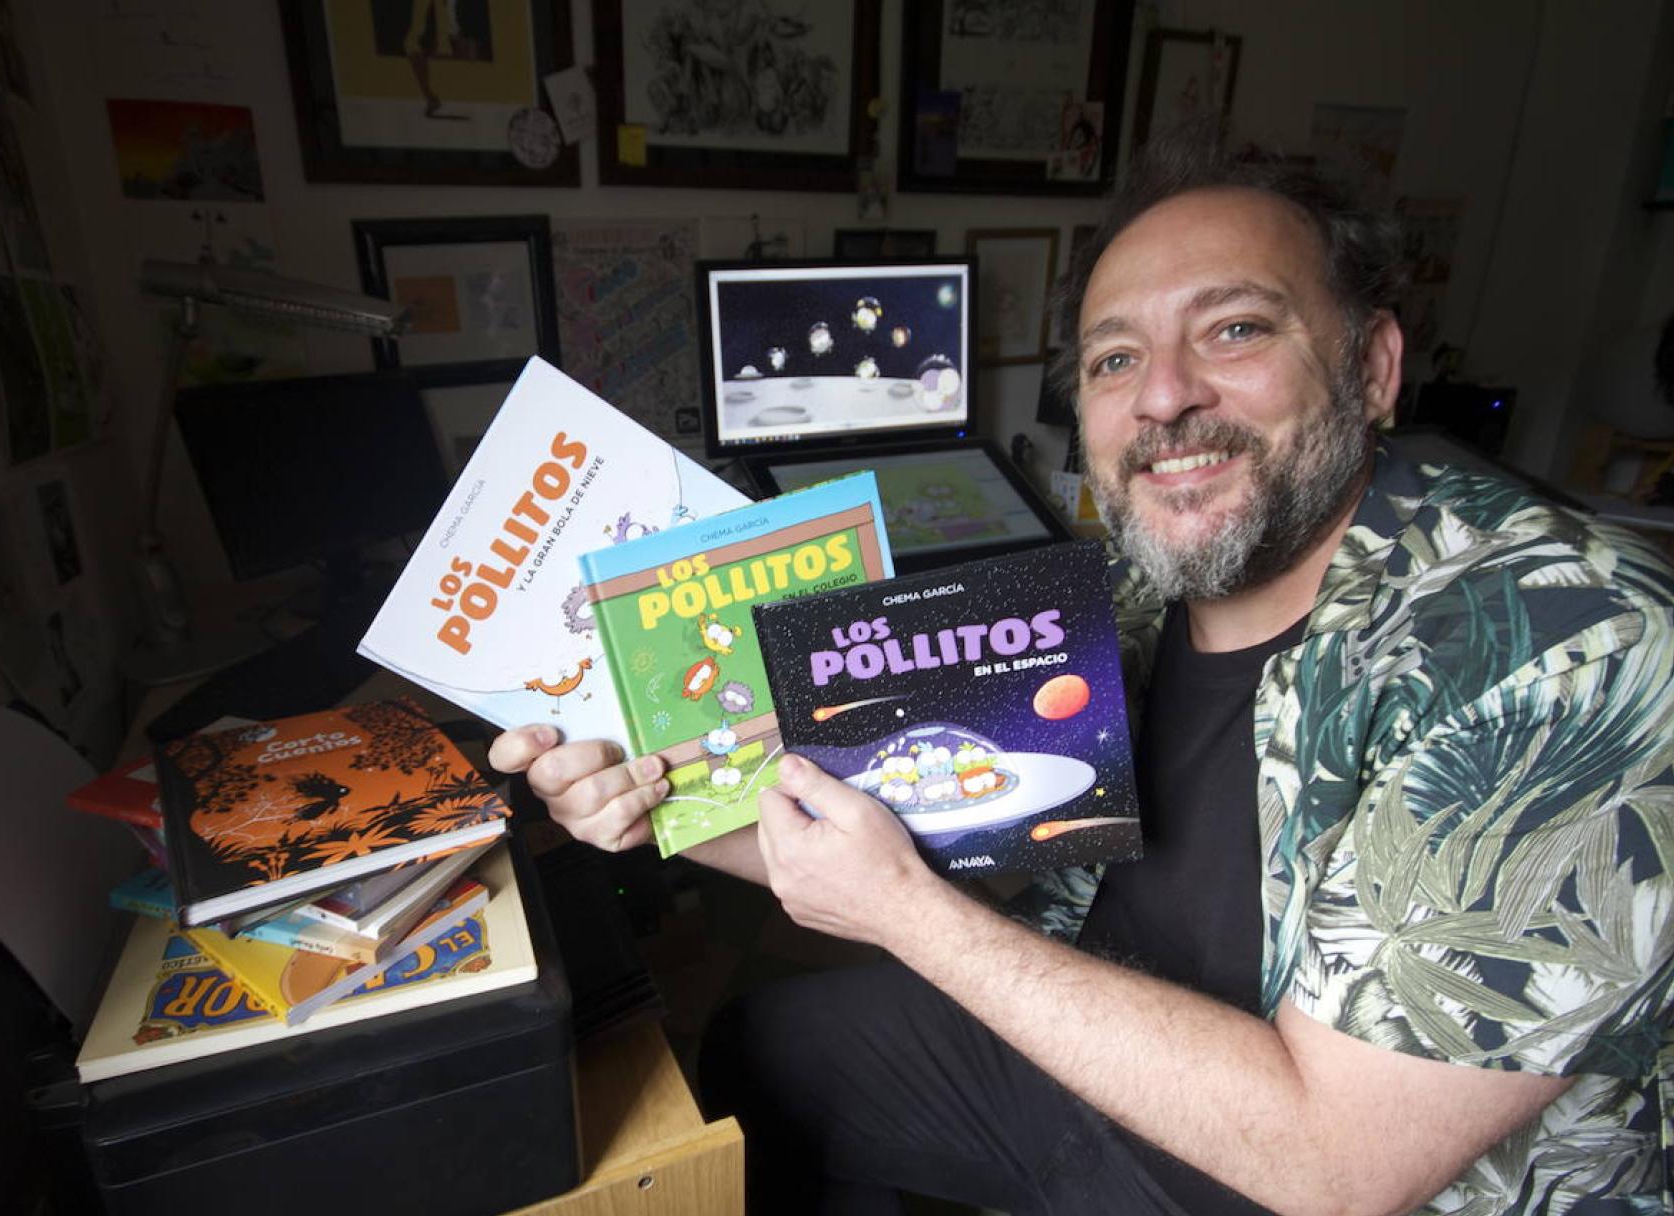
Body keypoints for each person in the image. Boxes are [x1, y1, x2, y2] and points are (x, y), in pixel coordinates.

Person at [489, 134, 1674, 1215]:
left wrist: (905, 914)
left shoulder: (1570, 649)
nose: (1163, 396)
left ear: (1372, 366)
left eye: (1235, 330)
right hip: (1099, 1057)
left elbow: (1339, 1165)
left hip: (1289, 1167)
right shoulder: (1131, 592)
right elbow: (923, 832)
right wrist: (662, 807)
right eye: (1116, 358)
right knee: (769, 1050)